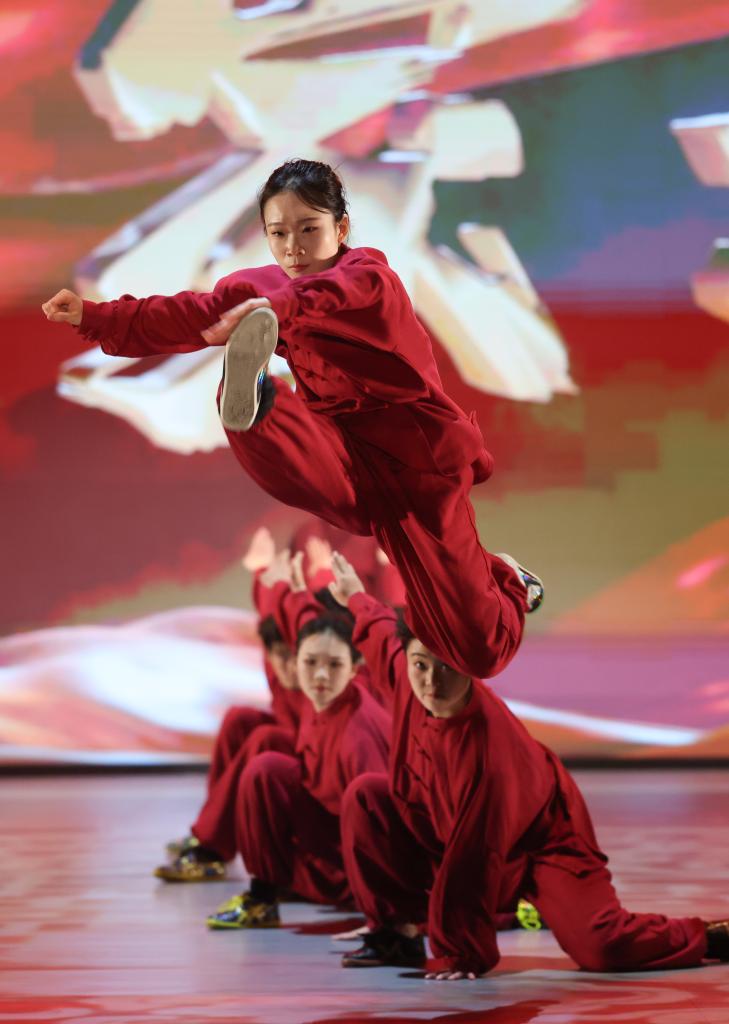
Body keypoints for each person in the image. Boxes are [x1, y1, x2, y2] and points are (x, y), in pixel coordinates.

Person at [41, 158, 541, 681]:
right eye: (278, 234)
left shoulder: (370, 278)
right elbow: (185, 314)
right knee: (285, 447)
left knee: (475, 650)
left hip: (418, 464)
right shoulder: (260, 288)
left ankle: (507, 579)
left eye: (308, 230)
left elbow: (324, 296)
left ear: (341, 229)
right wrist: (93, 315)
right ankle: (258, 400)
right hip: (337, 445)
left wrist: (275, 309)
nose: (293, 248)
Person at [322, 552, 729, 979]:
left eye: (447, 667)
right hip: (451, 822)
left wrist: (459, 953)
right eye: (420, 664)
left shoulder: (488, 750)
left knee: (602, 947)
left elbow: (474, 858)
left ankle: (714, 937)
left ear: (470, 666)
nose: (431, 681)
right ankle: (396, 933)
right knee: (367, 797)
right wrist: (354, 596)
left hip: (541, 840)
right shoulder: (407, 676)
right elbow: (380, 631)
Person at [207, 610, 391, 929]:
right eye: (310, 662)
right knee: (267, 769)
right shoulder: (320, 701)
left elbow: (381, 827)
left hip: (359, 867)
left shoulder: (358, 734)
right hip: (330, 837)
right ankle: (264, 895)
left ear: (354, 669)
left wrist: (385, 917)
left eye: (334, 665)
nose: (320, 675)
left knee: (266, 764)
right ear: (296, 663)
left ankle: (276, 890)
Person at [155, 530, 304, 882]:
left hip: (324, 744)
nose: (288, 664)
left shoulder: (321, 658)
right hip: (298, 733)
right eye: (280, 655)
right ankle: (212, 825)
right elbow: (271, 618)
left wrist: (297, 586)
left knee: (265, 739)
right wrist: (262, 571)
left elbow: (305, 623)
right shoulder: (279, 654)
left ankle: (212, 846)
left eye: (295, 655)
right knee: (240, 719)